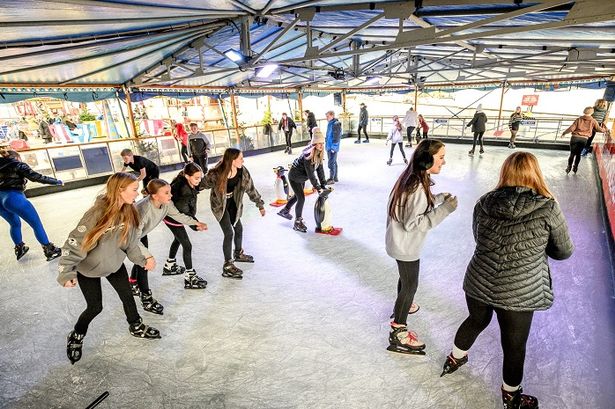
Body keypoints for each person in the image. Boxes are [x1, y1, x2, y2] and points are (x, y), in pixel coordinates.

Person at [441, 152, 573, 409]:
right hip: (520, 289)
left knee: (476, 319)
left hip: (480, 279)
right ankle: (511, 396)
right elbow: (563, 251)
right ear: (535, 173)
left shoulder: (484, 202)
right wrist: (536, 248)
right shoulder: (548, 207)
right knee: (514, 344)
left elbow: (479, 237)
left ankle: (454, 358)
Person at [58, 173, 161, 365]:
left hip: (114, 264)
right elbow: (74, 244)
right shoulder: (97, 213)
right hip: (88, 268)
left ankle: (136, 325)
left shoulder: (129, 211)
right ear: (120, 190)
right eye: (134, 190)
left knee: (128, 296)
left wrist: (142, 259)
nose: (137, 194)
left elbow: (130, 243)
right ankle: (77, 335)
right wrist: (66, 272)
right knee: (95, 307)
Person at [385, 139, 457, 355]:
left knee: (406, 281)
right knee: (410, 285)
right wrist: (445, 210)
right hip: (405, 245)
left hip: (399, 242)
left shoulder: (416, 178)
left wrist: (436, 199)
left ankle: (403, 305)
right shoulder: (417, 184)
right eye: (441, 157)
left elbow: (416, 205)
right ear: (427, 160)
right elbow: (414, 223)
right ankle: (398, 331)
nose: (444, 162)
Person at [129, 179, 208, 313]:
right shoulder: (144, 211)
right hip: (126, 236)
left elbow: (177, 215)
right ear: (154, 196)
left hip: (140, 234)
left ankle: (133, 283)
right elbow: (132, 239)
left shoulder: (166, 203)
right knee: (143, 263)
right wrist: (147, 256)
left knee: (141, 262)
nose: (171, 196)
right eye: (166, 193)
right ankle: (146, 299)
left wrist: (195, 223)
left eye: (170, 192)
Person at [202, 148, 265, 279]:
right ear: (232, 160)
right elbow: (201, 184)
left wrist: (260, 204)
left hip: (234, 203)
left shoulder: (242, 171)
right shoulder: (217, 173)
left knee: (239, 228)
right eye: (240, 158)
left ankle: (238, 253)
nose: (243, 160)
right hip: (220, 205)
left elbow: (251, 188)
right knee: (229, 232)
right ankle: (227, 265)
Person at [0, 148, 63, 261]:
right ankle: (49, 249)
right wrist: (56, 181)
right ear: (17, 157)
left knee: (14, 224)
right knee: (36, 224)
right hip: (13, 198)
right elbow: (36, 177)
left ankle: (19, 248)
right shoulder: (18, 164)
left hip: (0, 199)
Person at [162, 163, 209, 288]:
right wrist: (195, 224)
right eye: (196, 178)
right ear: (187, 176)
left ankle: (170, 265)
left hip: (173, 216)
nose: (199, 181)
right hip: (173, 217)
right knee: (187, 245)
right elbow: (183, 213)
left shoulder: (187, 183)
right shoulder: (184, 190)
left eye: (200, 177)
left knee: (178, 239)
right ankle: (190, 276)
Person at [277, 128, 328, 232]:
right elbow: (311, 175)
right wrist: (318, 188)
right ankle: (297, 222)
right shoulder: (308, 156)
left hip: (301, 178)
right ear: (314, 144)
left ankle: (285, 210)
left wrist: (323, 185)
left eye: (322, 143)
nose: (321, 145)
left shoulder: (319, 153)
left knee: (297, 196)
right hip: (294, 177)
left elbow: (320, 171)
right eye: (319, 143)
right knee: (301, 198)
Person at [562, 106, 609, 174]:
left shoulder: (578, 119)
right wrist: (605, 130)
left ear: (584, 111)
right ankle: (575, 167)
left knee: (572, 154)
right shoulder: (593, 121)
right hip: (584, 139)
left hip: (574, 138)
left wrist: (564, 133)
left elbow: (571, 128)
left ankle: (569, 167)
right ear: (592, 113)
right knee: (578, 154)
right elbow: (599, 129)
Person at [325, 110, 341, 184]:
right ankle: (335, 177)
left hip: (332, 147)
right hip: (329, 146)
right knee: (333, 162)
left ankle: (332, 178)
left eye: (328, 116)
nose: (326, 118)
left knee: (331, 163)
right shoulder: (330, 124)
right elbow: (329, 136)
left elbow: (337, 137)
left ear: (332, 116)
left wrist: (333, 148)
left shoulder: (335, 124)